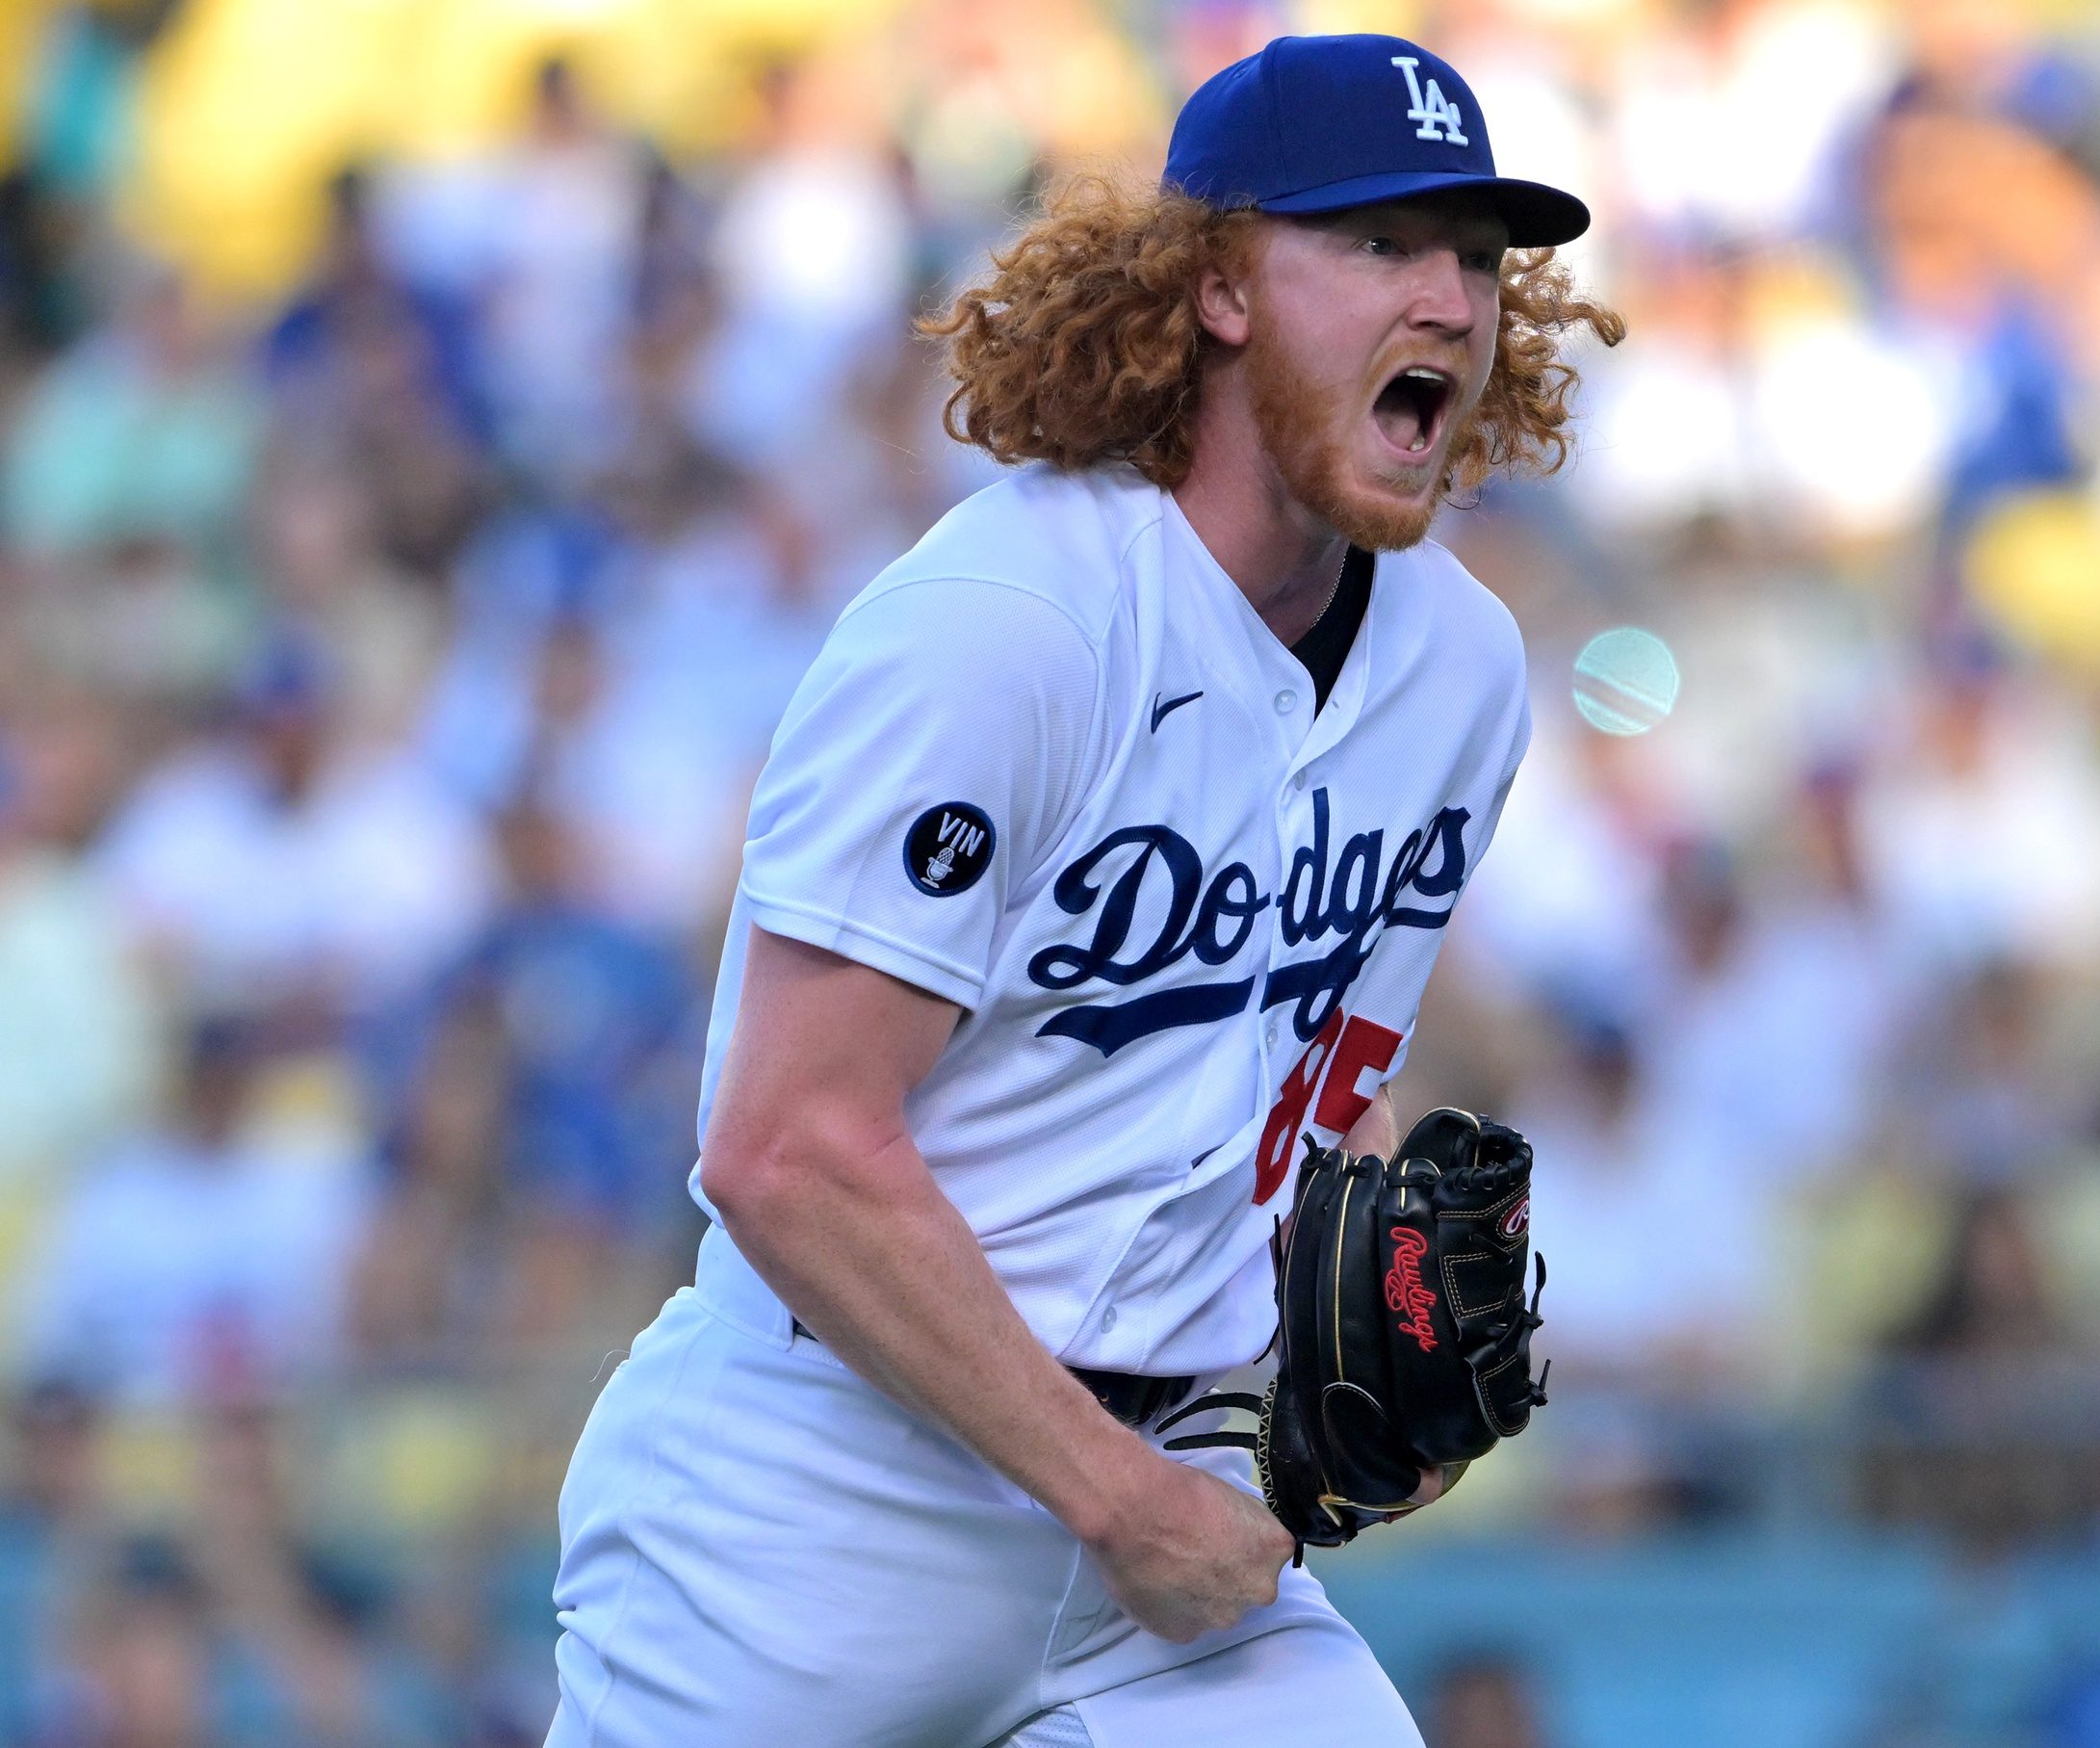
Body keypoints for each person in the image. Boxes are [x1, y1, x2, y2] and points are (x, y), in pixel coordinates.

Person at [545, 33, 1618, 1746]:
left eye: (1477, 256)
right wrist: (1110, 1498)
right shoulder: (1010, 624)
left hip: (1175, 1500)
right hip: (818, 1502)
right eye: (1376, 242)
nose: (1449, 297)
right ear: (1216, 289)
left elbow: (1322, 1072)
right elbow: (787, 1149)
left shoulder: (1464, 671)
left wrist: (1374, 1308)